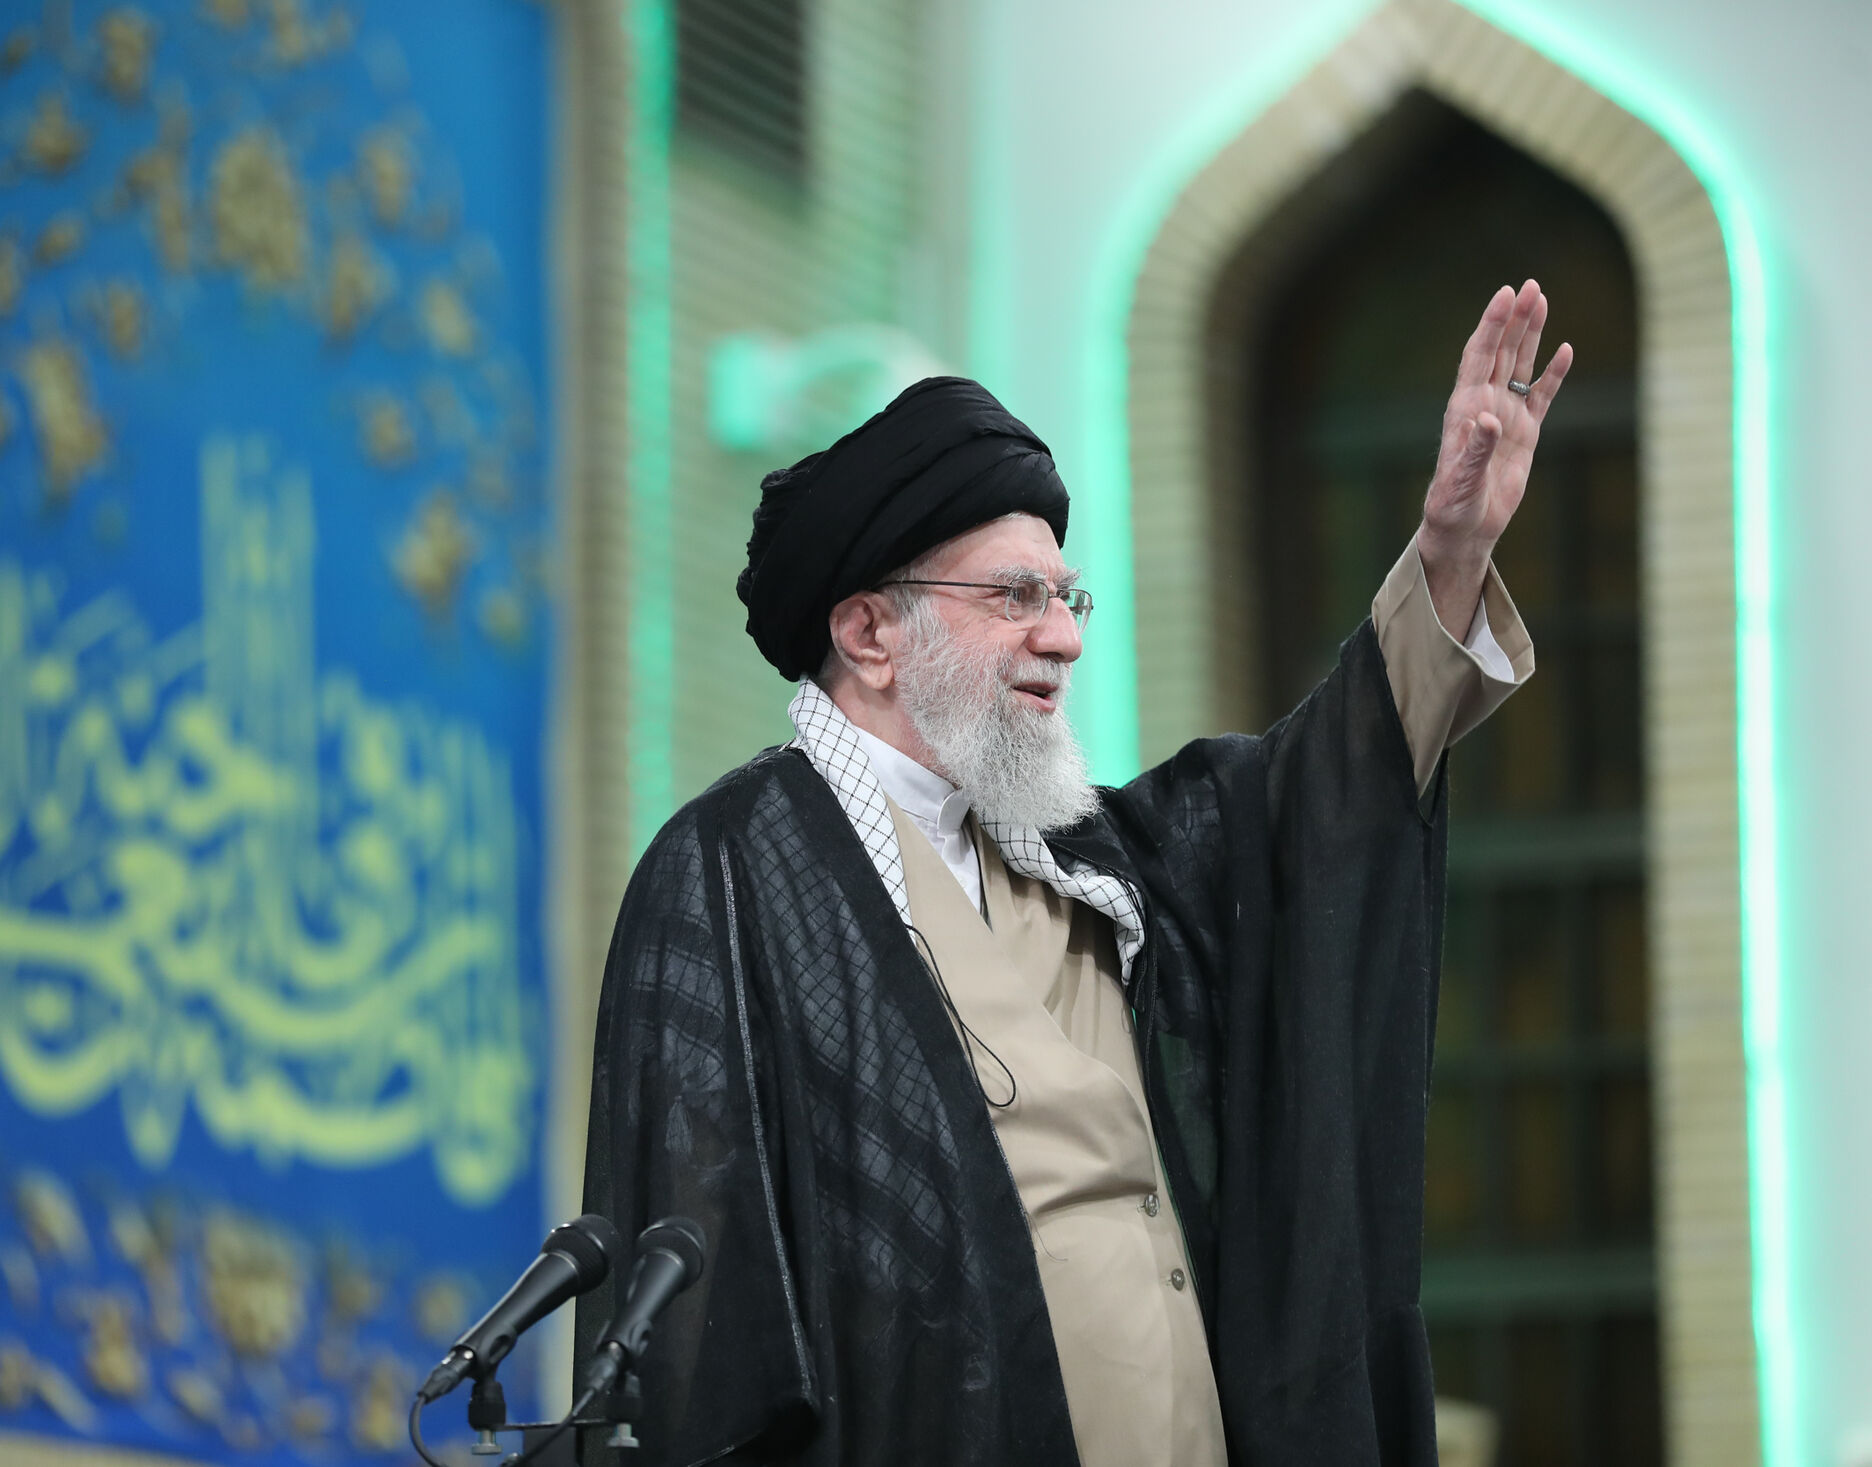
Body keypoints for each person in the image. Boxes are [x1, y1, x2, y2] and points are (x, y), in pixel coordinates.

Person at [578, 282, 1571, 1467]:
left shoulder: (1094, 860)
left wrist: (1450, 553)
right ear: (869, 634)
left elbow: (1315, 799)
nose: (1063, 634)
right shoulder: (734, 875)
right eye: (1015, 597)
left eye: (1065, 595)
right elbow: (701, 1325)